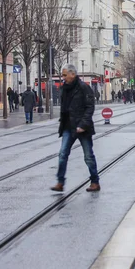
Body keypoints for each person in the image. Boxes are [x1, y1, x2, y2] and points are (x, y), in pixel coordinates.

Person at [51, 64, 100, 192]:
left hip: (82, 128)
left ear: (73, 74)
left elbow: (90, 107)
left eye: (65, 75)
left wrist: (83, 125)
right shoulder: (64, 88)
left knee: (88, 156)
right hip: (68, 126)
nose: (63, 78)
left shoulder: (84, 87)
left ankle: (95, 181)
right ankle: (60, 182)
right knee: (62, 154)